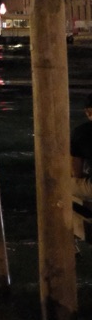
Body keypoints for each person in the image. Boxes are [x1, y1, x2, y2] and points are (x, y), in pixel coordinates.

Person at [71, 93, 92, 242]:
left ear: (88, 112)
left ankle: (71, 244)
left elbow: (76, 171)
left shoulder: (81, 132)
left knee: (58, 186)